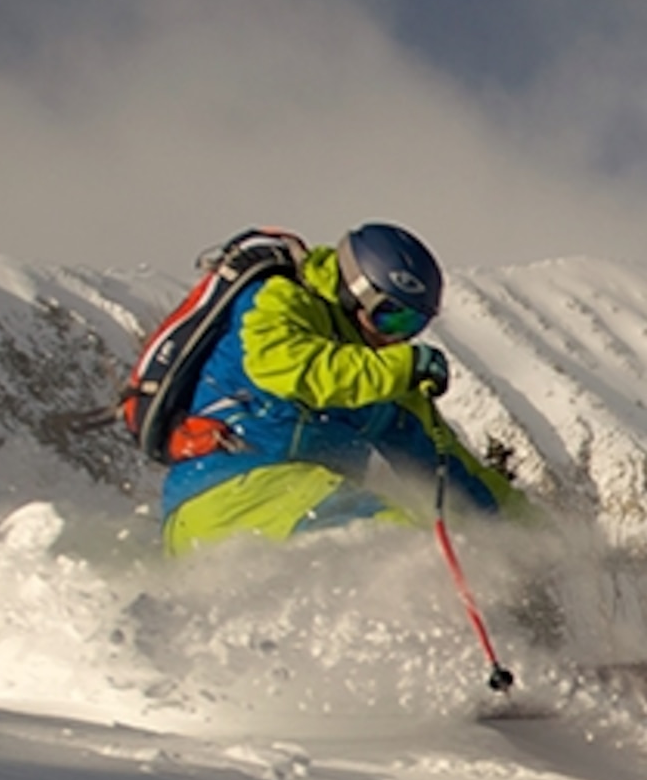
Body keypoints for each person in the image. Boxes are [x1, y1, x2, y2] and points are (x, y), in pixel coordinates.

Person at [160, 222, 525, 554]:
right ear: (356, 292)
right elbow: (292, 366)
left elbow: (449, 469)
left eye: (412, 324)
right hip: (228, 489)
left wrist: (536, 535)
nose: (395, 337)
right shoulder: (284, 299)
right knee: (400, 549)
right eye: (390, 316)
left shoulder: (382, 376)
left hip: (299, 504)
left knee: (424, 545)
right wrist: (399, 367)